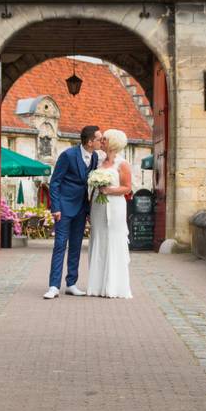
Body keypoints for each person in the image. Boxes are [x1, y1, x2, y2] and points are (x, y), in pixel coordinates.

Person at [44, 125, 101, 300]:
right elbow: (55, 182)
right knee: (60, 245)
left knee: (76, 246)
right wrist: (56, 208)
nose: (101, 141)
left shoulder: (95, 156)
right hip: (64, 208)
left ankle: (71, 284)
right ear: (90, 141)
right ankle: (54, 286)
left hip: (82, 208)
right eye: (99, 138)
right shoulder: (68, 155)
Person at [86, 129, 133, 299]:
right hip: (98, 206)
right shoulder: (98, 161)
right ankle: (97, 286)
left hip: (115, 206)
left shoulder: (123, 164)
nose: (102, 141)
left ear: (113, 142)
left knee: (113, 241)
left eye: (105, 139)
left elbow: (127, 188)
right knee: (98, 239)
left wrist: (109, 190)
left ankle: (114, 286)